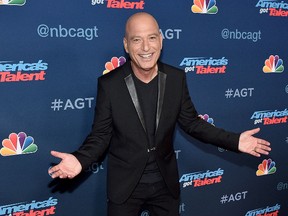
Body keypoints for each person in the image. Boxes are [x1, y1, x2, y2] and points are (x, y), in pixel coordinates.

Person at [48, 12, 271, 216]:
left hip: (165, 185)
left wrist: (234, 141)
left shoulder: (176, 78)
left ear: (161, 40)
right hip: (125, 188)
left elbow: (192, 123)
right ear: (126, 45)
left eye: (152, 37)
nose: (146, 47)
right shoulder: (109, 84)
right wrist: (81, 159)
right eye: (137, 39)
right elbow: (101, 135)